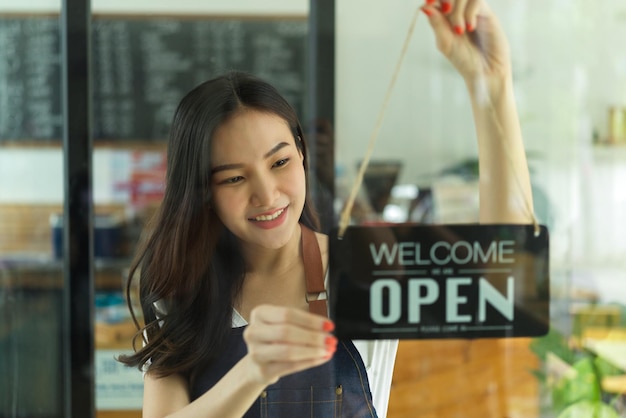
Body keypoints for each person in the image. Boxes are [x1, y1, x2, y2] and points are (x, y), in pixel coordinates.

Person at [119, 0, 534, 416]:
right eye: (234, 178)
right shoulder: (183, 292)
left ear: (302, 154)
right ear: (200, 190)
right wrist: (253, 372)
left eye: (279, 162)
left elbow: (507, 279)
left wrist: (492, 86)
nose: (267, 195)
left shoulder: (364, 271)